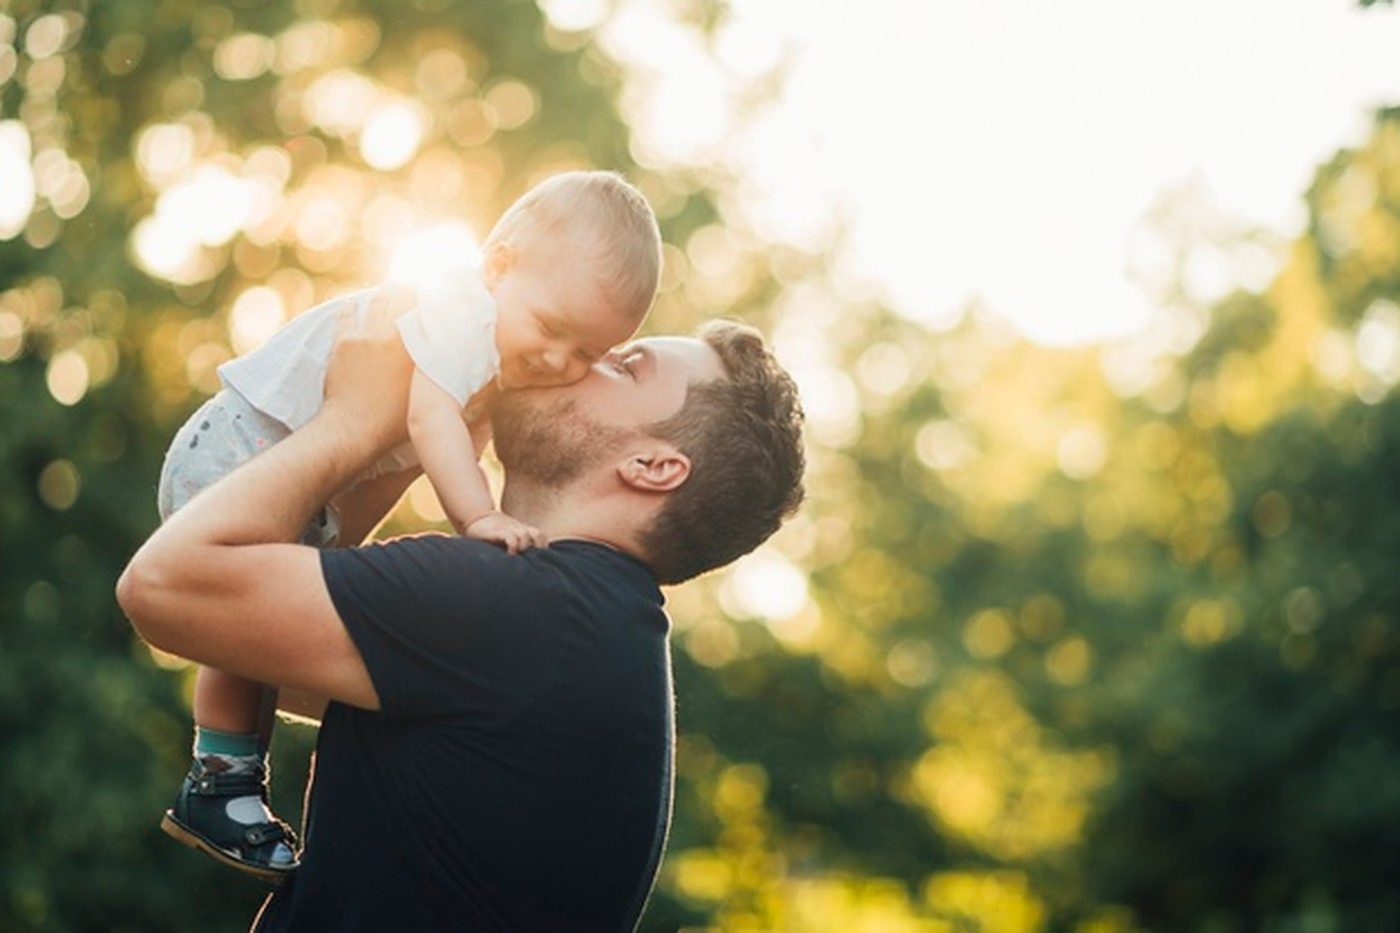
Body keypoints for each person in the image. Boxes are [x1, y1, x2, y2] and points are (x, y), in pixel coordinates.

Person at [117, 306, 804, 930]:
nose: (583, 355)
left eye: (624, 365)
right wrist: (416, 437)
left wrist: (356, 417)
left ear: (654, 465)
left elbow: (167, 586)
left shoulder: (521, 607)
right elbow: (251, 634)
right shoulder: (586, 629)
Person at [152, 170, 662, 879]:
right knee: (241, 620)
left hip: (271, 465)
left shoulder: (491, 343)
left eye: (585, 353)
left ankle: (233, 775)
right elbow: (428, 419)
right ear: (499, 265)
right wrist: (478, 514)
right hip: (242, 452)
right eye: (550, 328)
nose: (556, 360)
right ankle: (221, 777)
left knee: (257, 629)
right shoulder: (460, 317)